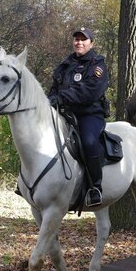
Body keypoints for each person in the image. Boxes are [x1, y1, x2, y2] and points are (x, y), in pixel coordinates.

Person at [47, 27, 109, 207]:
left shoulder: (97, 65)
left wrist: (61, 97)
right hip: (64, 114)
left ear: (91, 43)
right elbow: (54, 87)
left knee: (89, 141)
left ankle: (95, 187)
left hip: (89, 115)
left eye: (83, 39)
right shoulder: (65, 64)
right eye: (76, 39)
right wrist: (49, 99)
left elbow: (90, 91)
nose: (79, 42)